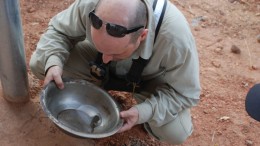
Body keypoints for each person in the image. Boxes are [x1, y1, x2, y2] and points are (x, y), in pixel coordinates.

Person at [30, 0, 201, 144]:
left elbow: (186, 94)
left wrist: (144, 112)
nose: (105, 59)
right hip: (95, 65)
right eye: (102, 49)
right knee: (41, 63)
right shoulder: (91, 5)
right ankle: (97, 82)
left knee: (175, 132)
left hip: (148, 80)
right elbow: (59, 31)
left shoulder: (175, 38)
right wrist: (53, 61)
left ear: (142, 36)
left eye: (114, 53)